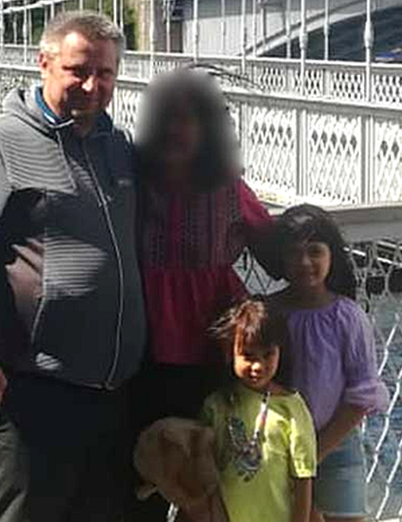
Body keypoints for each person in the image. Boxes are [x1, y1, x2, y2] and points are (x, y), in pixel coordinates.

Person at [0, 11, 145, 522]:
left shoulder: (121, 149)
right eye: (77, 70)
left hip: (114, 395)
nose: (93, 85)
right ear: (43, 63)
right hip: (33, 393)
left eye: (107, 73)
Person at [129, 67, 277, 518]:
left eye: (190, 119)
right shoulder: (133, 185)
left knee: (211, 472)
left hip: (214, 346)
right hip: (141, 346)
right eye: (168, 119)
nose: (177, 130)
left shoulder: (229, 190)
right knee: (146, 470)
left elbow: (277, 253)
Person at [268, 204, 389, 522]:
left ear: (332, 255)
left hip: (335, 447)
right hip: (277, 450)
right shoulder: (268, 313)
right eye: (294, 253)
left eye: (315, 251)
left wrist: (313, 453)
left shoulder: (347, 317)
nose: (304, 262)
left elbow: (362, 396)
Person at [200, 298, 317, 522]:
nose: (258, 366)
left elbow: (303, 478)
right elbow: (206, 473)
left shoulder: (291, 407)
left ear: (280, 352)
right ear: (229, 352)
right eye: (249, 356)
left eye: (268, 355)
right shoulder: (216, 405)